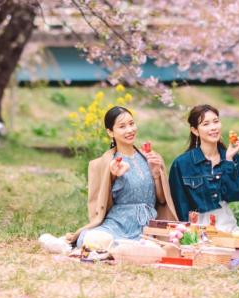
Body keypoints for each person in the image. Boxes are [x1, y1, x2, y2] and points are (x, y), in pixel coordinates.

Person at [64, 106, 177, 248]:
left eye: (131, 124)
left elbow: (161, 200)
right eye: (122, 126)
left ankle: (125, 248)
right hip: (117, 223)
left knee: (157, 245)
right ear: (110, 132)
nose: (130, 130)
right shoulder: (107, 162)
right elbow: (102, 204)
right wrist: (112, 176)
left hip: (147, 225)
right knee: (89, 237)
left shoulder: (151, 157)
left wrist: (156, 174)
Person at [168, 104, 239, 233]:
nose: (213, 127)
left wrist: (228, 160)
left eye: (216, 122)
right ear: (195, 130)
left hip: (227, 227)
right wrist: (186, 235)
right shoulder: (182, 164)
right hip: (197, 231)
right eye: (206, 124)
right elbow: (179, 204)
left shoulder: (230, 156)